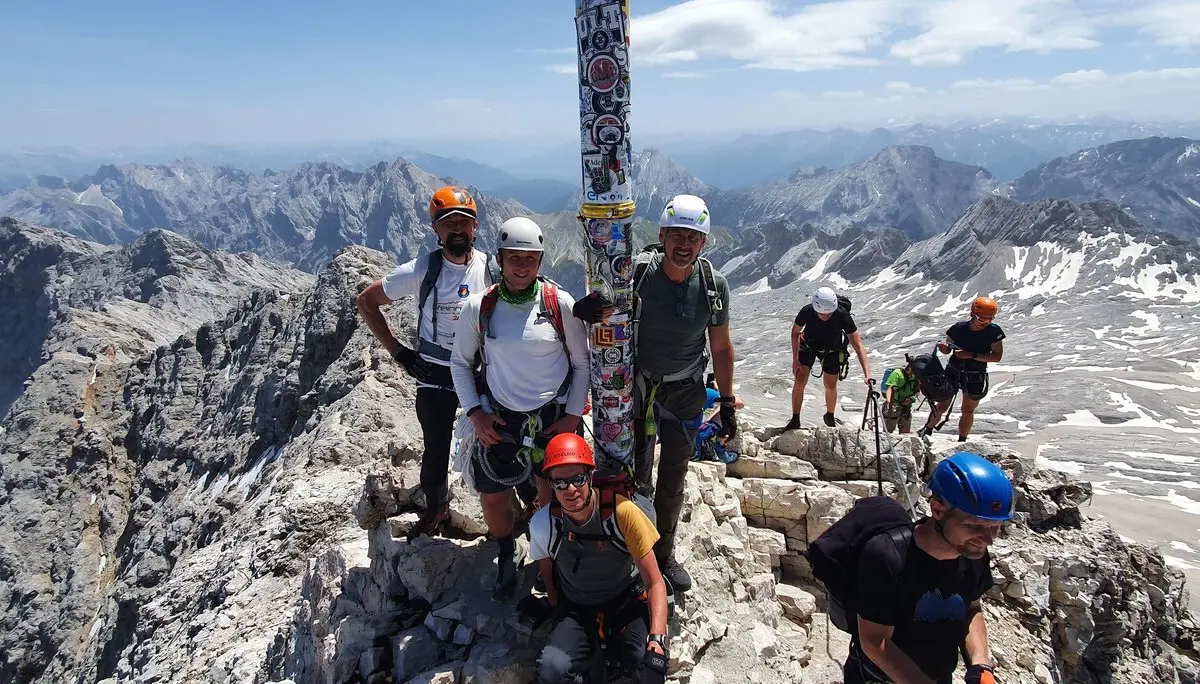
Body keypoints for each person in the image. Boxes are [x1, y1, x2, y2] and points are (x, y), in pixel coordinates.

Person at [574, 193, 737, 593]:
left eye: (693, 237)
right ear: (662, 235)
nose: (684, 245)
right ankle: (639, 551)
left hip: (685, 392)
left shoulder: (714, 286)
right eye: (677, 235)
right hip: (640, 388)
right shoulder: (639, 274)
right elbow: (607, 305)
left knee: (673, 479)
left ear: (704, 243)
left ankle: (663, 554)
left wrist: (728, 403)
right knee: (637, 474)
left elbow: (721, 347)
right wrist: (581, 311)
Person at [450, 216, 591, 600]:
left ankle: (549, 555)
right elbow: (460, 364)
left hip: (552, 418)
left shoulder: (559, 304)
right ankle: (506, 552)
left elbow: (582, 363)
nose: (523, 265)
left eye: (530, 258)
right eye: (515, 257)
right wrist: (474, 414)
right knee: (492, 493)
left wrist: (572, 418)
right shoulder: (480, 307)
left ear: (541, 261)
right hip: (499, 416)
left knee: (552, 494)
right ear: (499, 259)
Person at [356, 185, 498, 541]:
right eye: (448, 224)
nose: (457, 230)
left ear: (475, 227)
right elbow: (366, 301)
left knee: (496, 438)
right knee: (435, 447)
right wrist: (399, 352)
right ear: (435, 229)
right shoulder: (422, 269)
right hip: (433, 372)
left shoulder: (490, 268)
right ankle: (436, 511)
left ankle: (513, 509)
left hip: (477, 370)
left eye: (463, 224)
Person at [844, 451, 1011, 684]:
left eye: (995, 527)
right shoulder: (887, 555)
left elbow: (971, 608)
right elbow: (874, 641)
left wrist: (981, 665)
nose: (987, 538)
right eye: (974, 525)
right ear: (937, 510)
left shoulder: (972, 553)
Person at [528, 433, 670, 684]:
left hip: (626, 602)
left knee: (644, 667)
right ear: (550, 485)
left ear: (590, 476)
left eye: (578, 479)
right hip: (577, 608)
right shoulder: (543, 525)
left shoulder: (622, 513)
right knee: (552, 669)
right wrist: (553, 606)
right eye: (561, 483)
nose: (571, 490)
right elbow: (549, 579)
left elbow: (654, 582)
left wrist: (657, 641)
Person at [919, 297, 1005, 442]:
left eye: (989, 319)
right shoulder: (958, 329)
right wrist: (945, 348)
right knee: (942, 405)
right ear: (972, 314)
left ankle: (962, 440)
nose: (985, 323)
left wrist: (971, 355)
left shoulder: (994, 331)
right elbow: (947, 350)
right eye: (981, 319)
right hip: (954, 369)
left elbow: (997, 357)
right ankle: (927, 431)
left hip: (975, 373)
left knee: (967, 409)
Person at [784, 286, 870, 430]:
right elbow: (795, 333)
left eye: (829, 313)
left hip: (832, 348)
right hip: (809, 345)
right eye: (822, 314)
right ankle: (795, 419)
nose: (826, 316)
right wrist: (796, 360)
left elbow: (857, 343)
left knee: (830, 385)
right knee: (800, 380)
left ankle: (829, 416)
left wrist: (868, 374)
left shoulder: (841, 315)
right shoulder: (807, 311)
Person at [882, 364, 920, 434]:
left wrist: (911, 399)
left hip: (906, 407)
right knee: (888, 432)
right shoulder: (897, 374)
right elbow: (890, 389)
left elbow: (917, 391)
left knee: (905, 433)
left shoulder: (916, 377)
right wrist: (889, 402)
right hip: (894, 406)